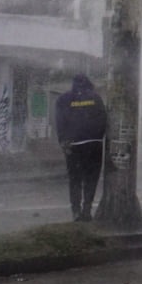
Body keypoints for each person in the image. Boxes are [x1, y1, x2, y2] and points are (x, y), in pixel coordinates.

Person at [55, 73, 107, 222]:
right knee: (91, 178)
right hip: (94, 144)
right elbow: (103, 119)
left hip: (74, 145)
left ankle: (76, 211)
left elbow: (60, 122)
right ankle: (87, 209)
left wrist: (64, 141)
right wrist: (98, 137)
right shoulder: (96, 99)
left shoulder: (63, 99)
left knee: (75, 179)